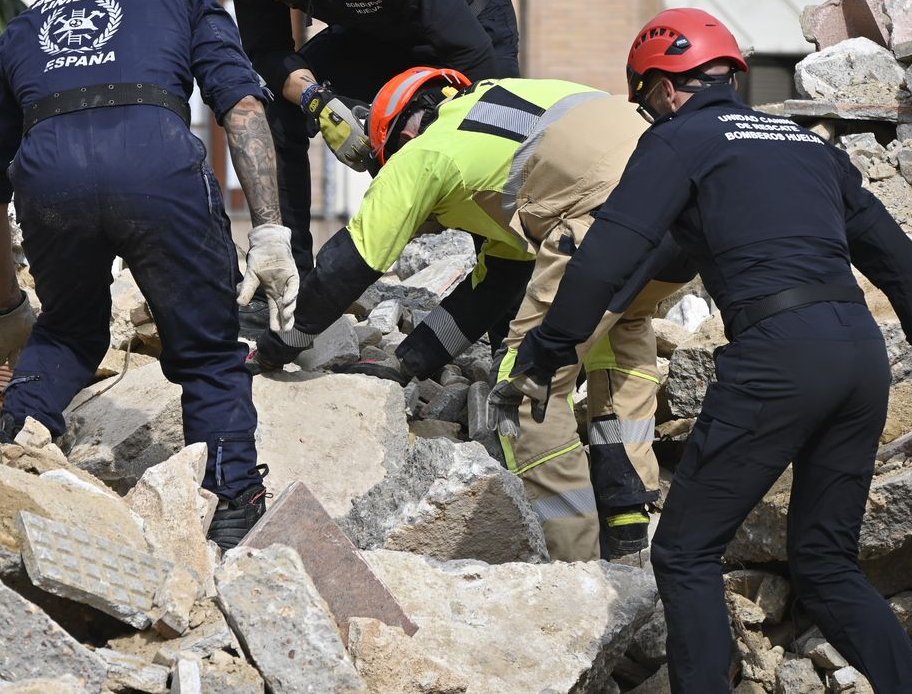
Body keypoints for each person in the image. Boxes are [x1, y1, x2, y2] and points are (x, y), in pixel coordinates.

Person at [501, 8, 912, 694]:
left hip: (778, 356)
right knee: (825, 564)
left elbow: (608, 250)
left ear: (666, 86)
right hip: (857, 355)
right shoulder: (807, 145)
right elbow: (902, 264)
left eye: (645, 99)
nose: (648, 115)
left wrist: (548, 347)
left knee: (683, 550)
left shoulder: (679, 140)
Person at [246, 67, 690, 561]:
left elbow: (347, 264)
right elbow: (492, 287)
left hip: (602, 222)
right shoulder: (509, 125)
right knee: (620, 340)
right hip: (683, 226)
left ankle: (577, 562)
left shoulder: (428, 151)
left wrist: (279, 344)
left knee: (526, 388)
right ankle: (629, 531)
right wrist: (407, 363)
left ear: (403, 132)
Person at [0, 0, 300, 549]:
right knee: (205, 347)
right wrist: (272, 232)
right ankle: (229, 503)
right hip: (158, 171)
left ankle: (11, 448)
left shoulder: (25, 24)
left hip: (50, 179)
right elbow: (244, 108)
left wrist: (8, 308)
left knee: (66, 331)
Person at [213, 0, 521, 279]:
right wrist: (317, 101)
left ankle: (504, 315)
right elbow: (268, 53)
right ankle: (291, 279)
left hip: (470, 27)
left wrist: (425, 123)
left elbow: (471, 53)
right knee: (278, 115)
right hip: (377, 28)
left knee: (490, 150)